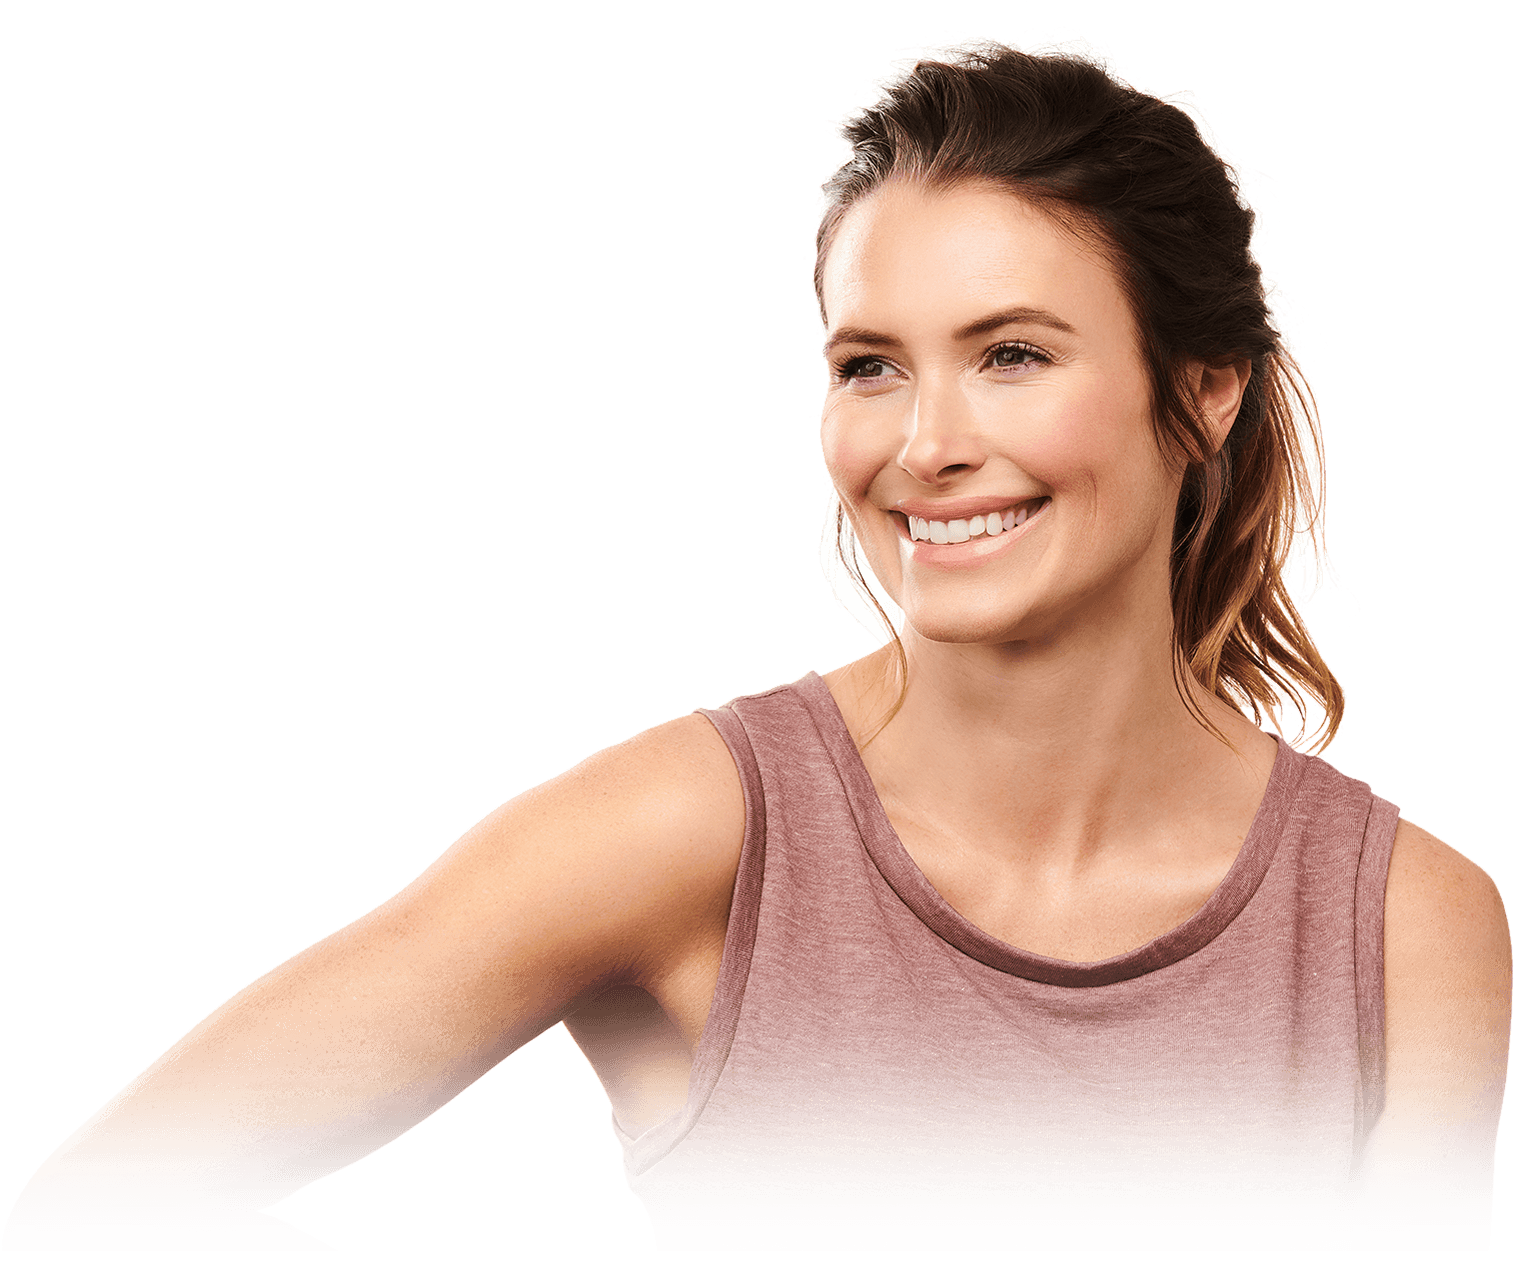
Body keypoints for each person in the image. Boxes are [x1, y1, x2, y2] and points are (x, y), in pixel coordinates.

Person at [6, 35, 1507, 1252]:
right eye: (868, 367)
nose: (923, 445)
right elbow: (102, 1209)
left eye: (1011, 355)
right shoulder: (700, 829)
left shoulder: (1407, 930)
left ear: (1203, 394)